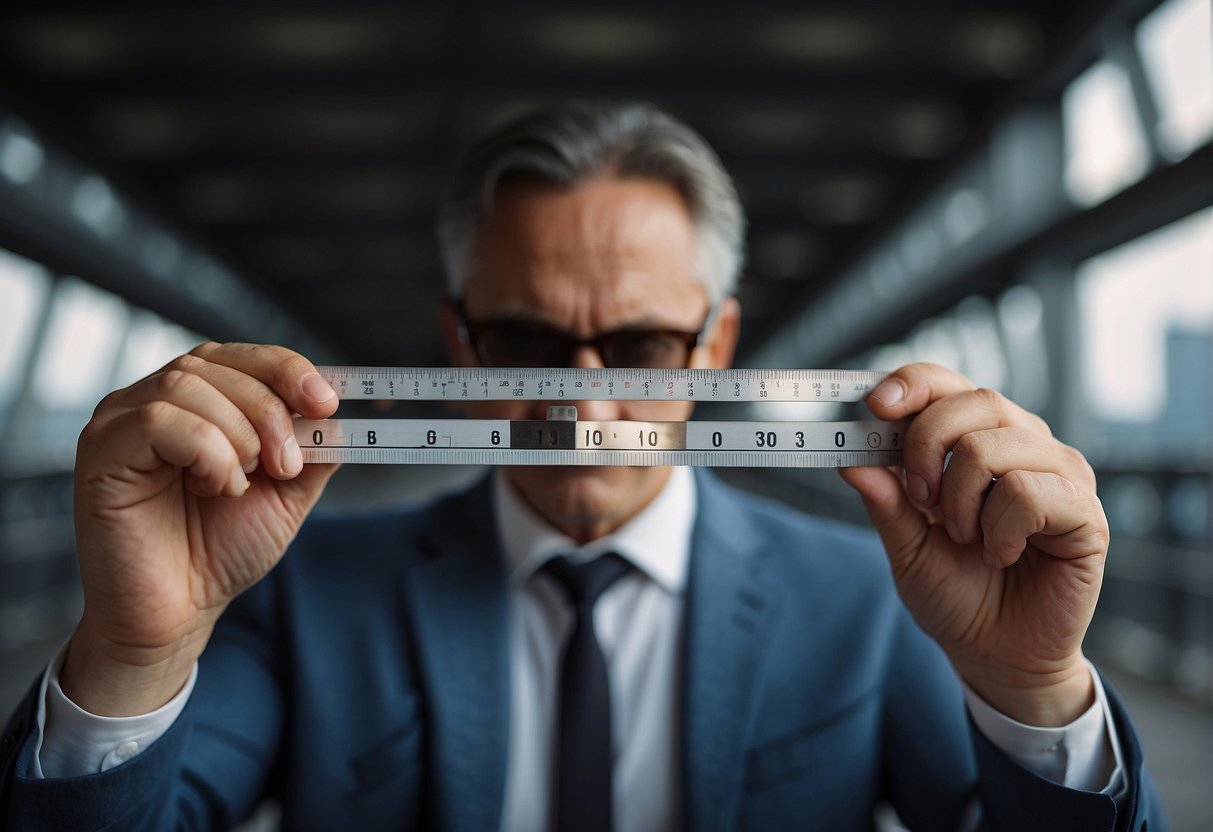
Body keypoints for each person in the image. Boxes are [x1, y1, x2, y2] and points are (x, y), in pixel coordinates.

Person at [0, 101, 1164, 831]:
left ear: (717, 346)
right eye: (525, 341)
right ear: (461, 344)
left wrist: (1033, 694)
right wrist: (133, 650)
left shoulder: (873, 597)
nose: (582, 397)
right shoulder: (300, 586)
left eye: (648, 346)